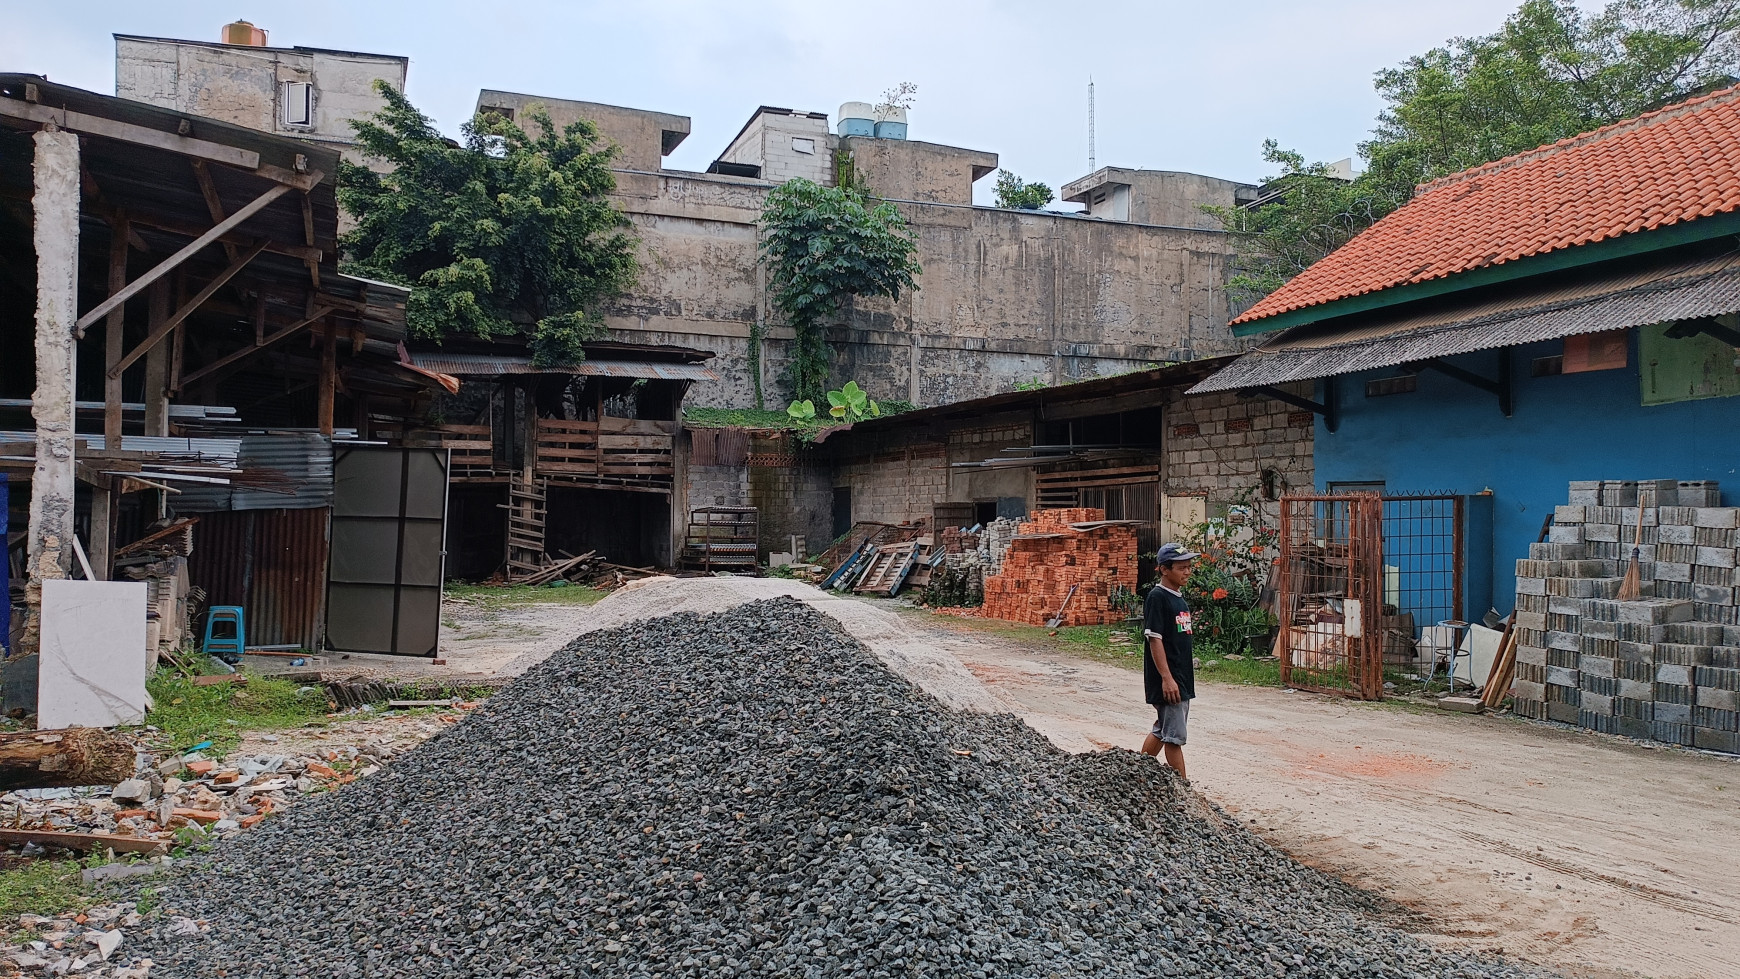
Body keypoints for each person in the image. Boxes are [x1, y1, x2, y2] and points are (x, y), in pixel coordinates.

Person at [1142, 542, 1199, 780]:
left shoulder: (1179, 598)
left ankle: (1138, 771)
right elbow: (1154, 640)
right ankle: (1184, 792)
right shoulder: (1158, 597)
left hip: (1180, 677)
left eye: (1189, 567)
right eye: (1181, 567)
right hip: (1170, 679)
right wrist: (1166, 678)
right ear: (1164, 569)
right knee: (1174, 738)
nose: (1187, 572)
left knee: (1162, 729)